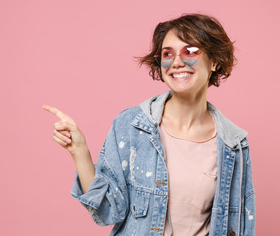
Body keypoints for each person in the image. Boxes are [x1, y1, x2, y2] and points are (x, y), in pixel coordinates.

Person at [42, 13, 256, 236]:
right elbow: (107, 212)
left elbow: (239, 225)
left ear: (214, 62)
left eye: (190, 51)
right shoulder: (131, 126)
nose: (177, 62)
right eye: (167, 54)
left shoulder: (233, 143)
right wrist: (80, 152)